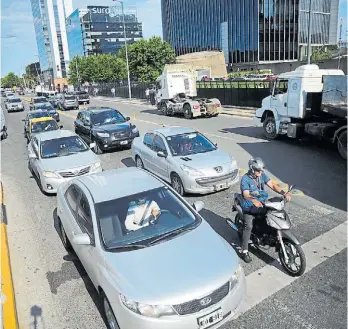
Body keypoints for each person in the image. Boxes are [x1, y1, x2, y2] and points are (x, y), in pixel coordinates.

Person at [239, 157, 291, 263]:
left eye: (262, 170)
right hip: (249, 207)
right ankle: (244, 251)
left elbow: (272, 184)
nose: (261, 172)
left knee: (273, 216)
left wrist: (283, 193)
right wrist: (253, 200)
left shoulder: (262, 175)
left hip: (262, 204)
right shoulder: (245, 179)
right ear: (252, 169)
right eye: (259, 170)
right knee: (248, 226)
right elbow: (245, 194)